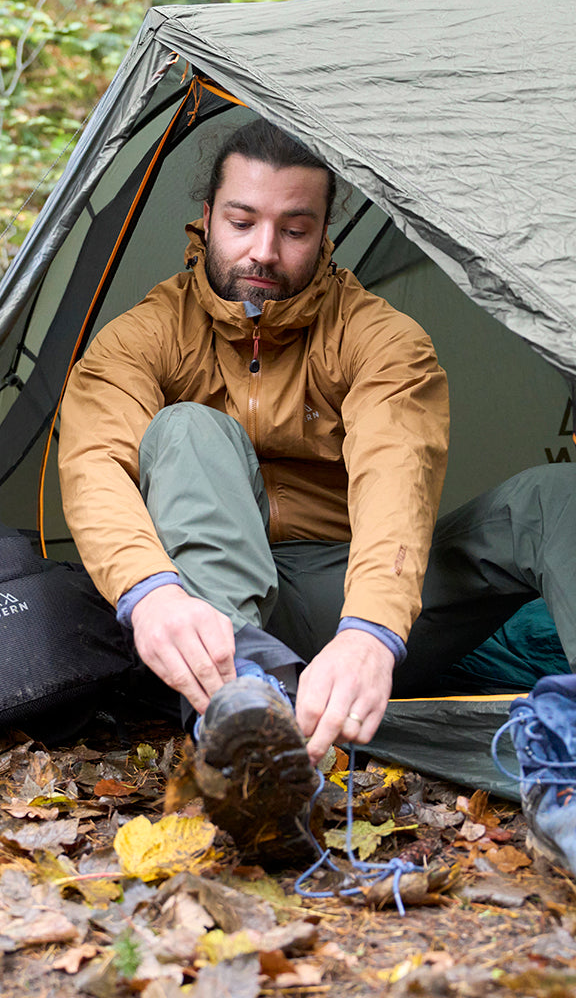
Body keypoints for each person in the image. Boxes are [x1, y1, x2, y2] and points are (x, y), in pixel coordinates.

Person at [57, 118, 576, 864]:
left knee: (556, 497)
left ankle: (569, 766)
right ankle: (247, 732)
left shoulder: (380, 337)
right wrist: (153, 593)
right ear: (206, 220)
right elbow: (93, 461)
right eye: (242, 221)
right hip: (213, 622)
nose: (264, 251)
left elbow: (398, 472)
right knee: (186, 427)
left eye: (293, 229)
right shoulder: (143, 335)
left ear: (325, 234)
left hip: (349, 603)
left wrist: (370, 629)